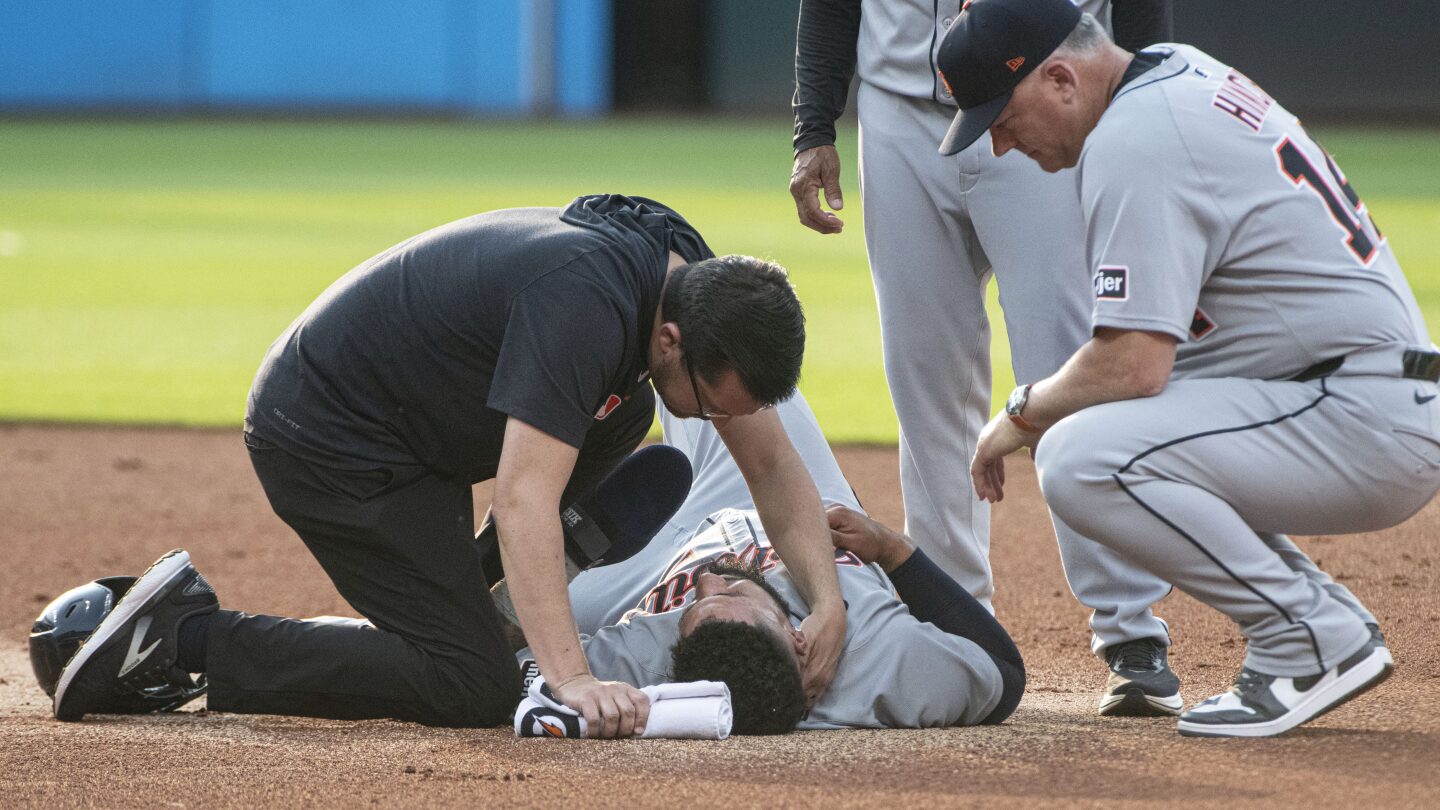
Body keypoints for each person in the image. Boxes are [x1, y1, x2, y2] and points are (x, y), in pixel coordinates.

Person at [51, 194, 847, 738]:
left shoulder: (691, 284)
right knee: (474, 684)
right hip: (329, 434)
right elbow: (525, 492)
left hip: (412, 426)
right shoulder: (588, 308)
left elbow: (772, 465)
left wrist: (827, 603)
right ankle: (182, 638)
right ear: (672, 339)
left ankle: (487, 591)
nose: (717, 423)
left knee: (627, 411)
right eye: (712, 403)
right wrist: (569, 679)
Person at [945, 0, 1440, 736]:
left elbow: (1131, 364)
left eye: (1005, 119)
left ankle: (1306, 637)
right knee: (1115, 428)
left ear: (1059, 79)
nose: (1005, 146)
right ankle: (1319, 620)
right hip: (1360, 394)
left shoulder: (1135, 139)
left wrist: (1019, 414)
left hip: (1359, 412)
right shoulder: (1183, 76)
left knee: (1081, 456)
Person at [790, 0, 1185, 715]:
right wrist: (813, 126)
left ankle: (1130, 629)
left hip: (1042, 95)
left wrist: (1139, 107)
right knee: (924, 379)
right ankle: (956, 621)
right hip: (900, 112)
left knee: (1069, 365)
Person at [526, 390, 1024, 732]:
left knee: (537, 605)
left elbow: (514, 676)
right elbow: (1003, 674)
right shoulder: (879, 656)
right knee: (722, 349)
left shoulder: (646, 661)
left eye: (699, 608)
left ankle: (533, 563)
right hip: (808, 503)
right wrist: (894, 550)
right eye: (733, 595)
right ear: (796, 637)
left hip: (661, 560)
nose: (708, 585)